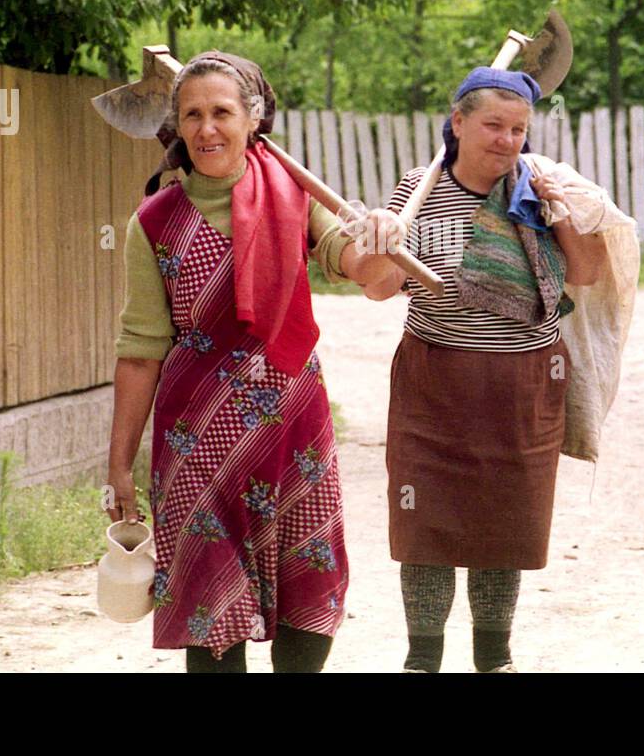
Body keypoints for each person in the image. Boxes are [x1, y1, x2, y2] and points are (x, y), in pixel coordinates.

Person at [105, 50, 401, 673]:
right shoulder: (154, 221)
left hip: (293, 418)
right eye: (193, 114)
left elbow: (367, 274)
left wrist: (384, 240)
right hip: (197, 433)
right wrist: (119, 466)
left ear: (252, 117)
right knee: (209, 598)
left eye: (221, 112)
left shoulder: (297, 196)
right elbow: (139, 350)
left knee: (308, 572)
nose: (207, 128)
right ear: (177, 125)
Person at [359, 67, 609, 672]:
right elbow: (378, 287)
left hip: (523, 384)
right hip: (434, 379)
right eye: (493, 125)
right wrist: (386, 238)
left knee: (506, 522)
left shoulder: (543, 188)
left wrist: (564, 213)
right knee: (426, 523)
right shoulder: (419, 190)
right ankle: (422, 659)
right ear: (458, 122)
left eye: (518, 128)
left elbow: (588, 274)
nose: (506, 140)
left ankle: (494, 658)